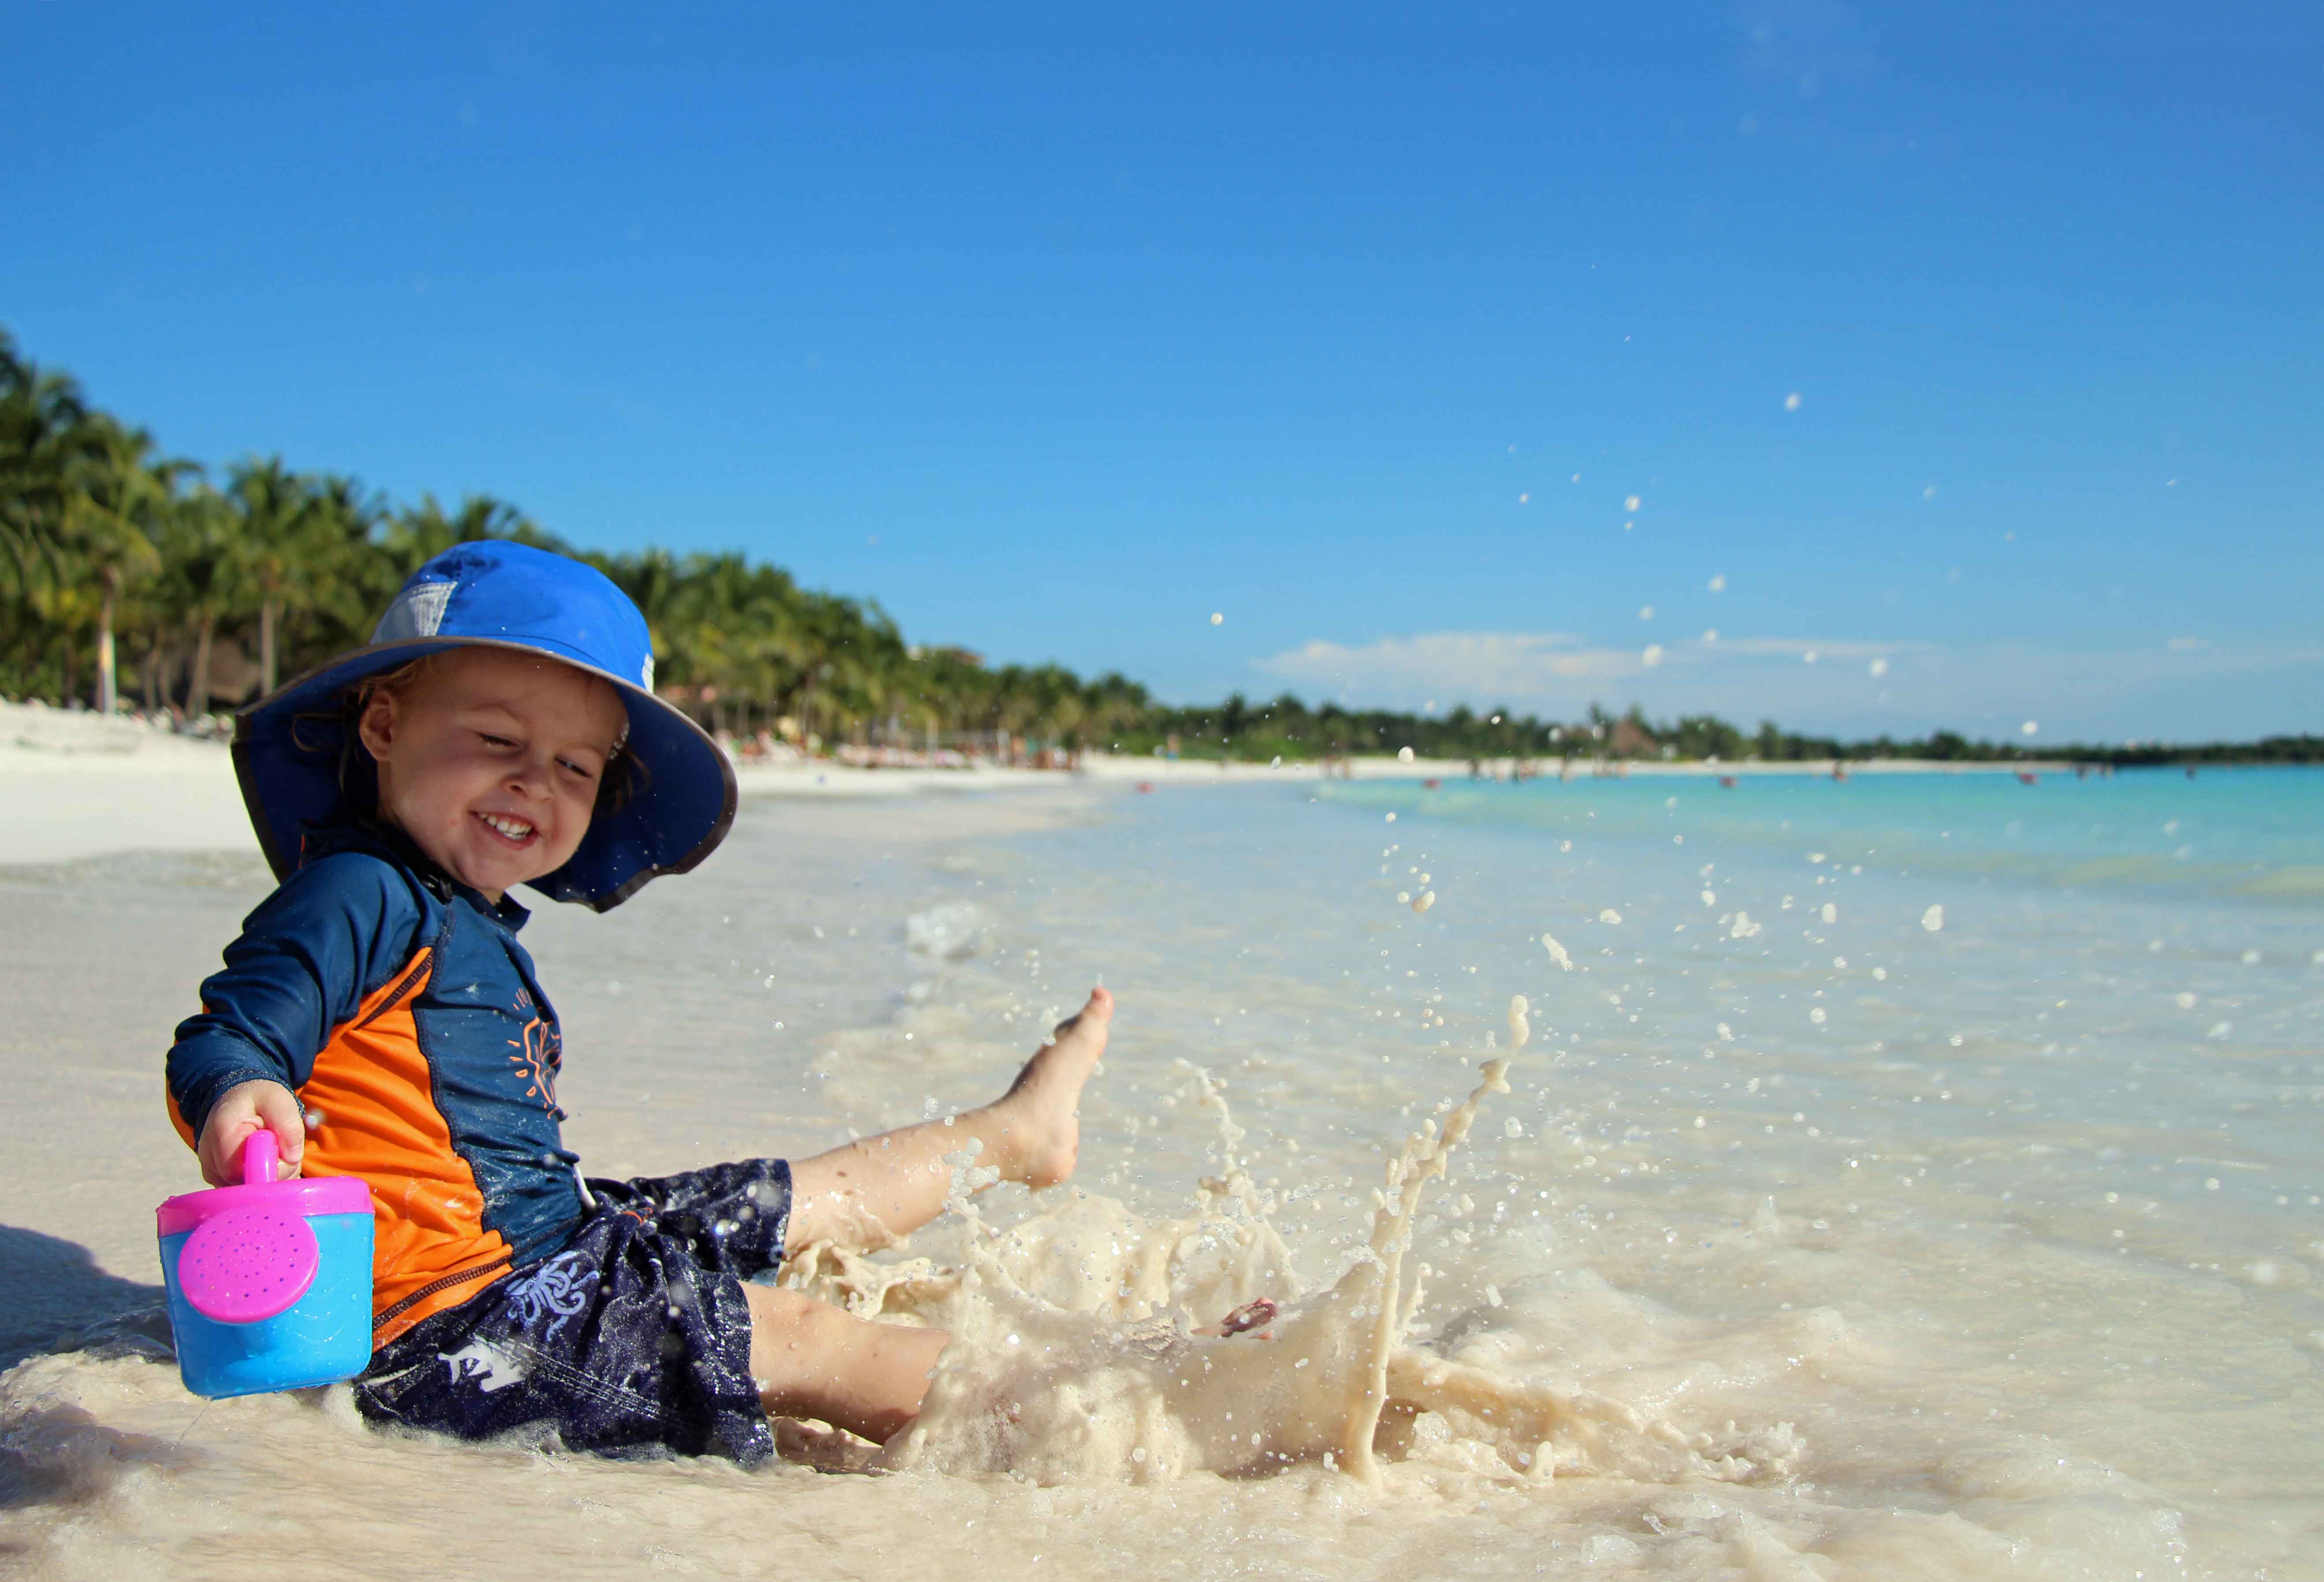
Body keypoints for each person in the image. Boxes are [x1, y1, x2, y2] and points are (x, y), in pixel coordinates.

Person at [163, 541, 1111, 1464]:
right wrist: (241, 1091)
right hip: (457, 1327)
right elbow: (227, 1035)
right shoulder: (358, 893)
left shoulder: (467, 915)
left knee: (770, 1200)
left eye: (576, 766)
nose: (534, 780)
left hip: (551, 1248)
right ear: (381, 727)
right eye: (496, 739)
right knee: (805, 1337)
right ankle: (1108, 1409)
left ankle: (1012, 1136)